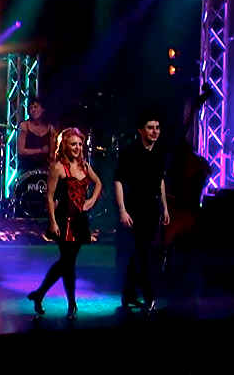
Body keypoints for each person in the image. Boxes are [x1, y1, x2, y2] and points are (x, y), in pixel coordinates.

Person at [26, 128, 102, 319]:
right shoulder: (57, 168)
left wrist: (91, 201)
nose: (77, 148)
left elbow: (98, 183)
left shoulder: (84, 166)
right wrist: (52, 222)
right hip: (63, 221)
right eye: (73, 144)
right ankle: (71, 305)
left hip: (79, 220)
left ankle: (40, 294)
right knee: (68, 262)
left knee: (67, 262)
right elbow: (49, 197)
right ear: (64, 145)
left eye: (79, 144)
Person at [115, 113, 169, 314]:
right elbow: (119, 180)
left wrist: (165, 208)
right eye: (150, 127)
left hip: (151, 209)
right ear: (141, 130)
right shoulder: (130, 152)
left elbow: (160, 182)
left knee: (138, 253)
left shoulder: (159, 153)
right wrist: (122, 210)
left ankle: (128, 293)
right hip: (134, 208)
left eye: (157, 127)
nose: (154, 131)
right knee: (144, 254)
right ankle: (149, 296)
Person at [16, 100, 55, 171]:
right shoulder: (24, 126)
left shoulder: (50, 128)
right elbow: (21, 151)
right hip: (27, 167)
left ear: (43, 109)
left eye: (35, 107)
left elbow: (52, 153)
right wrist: (40, 150)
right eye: (31, 108)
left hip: (44, 168)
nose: (33, 110)